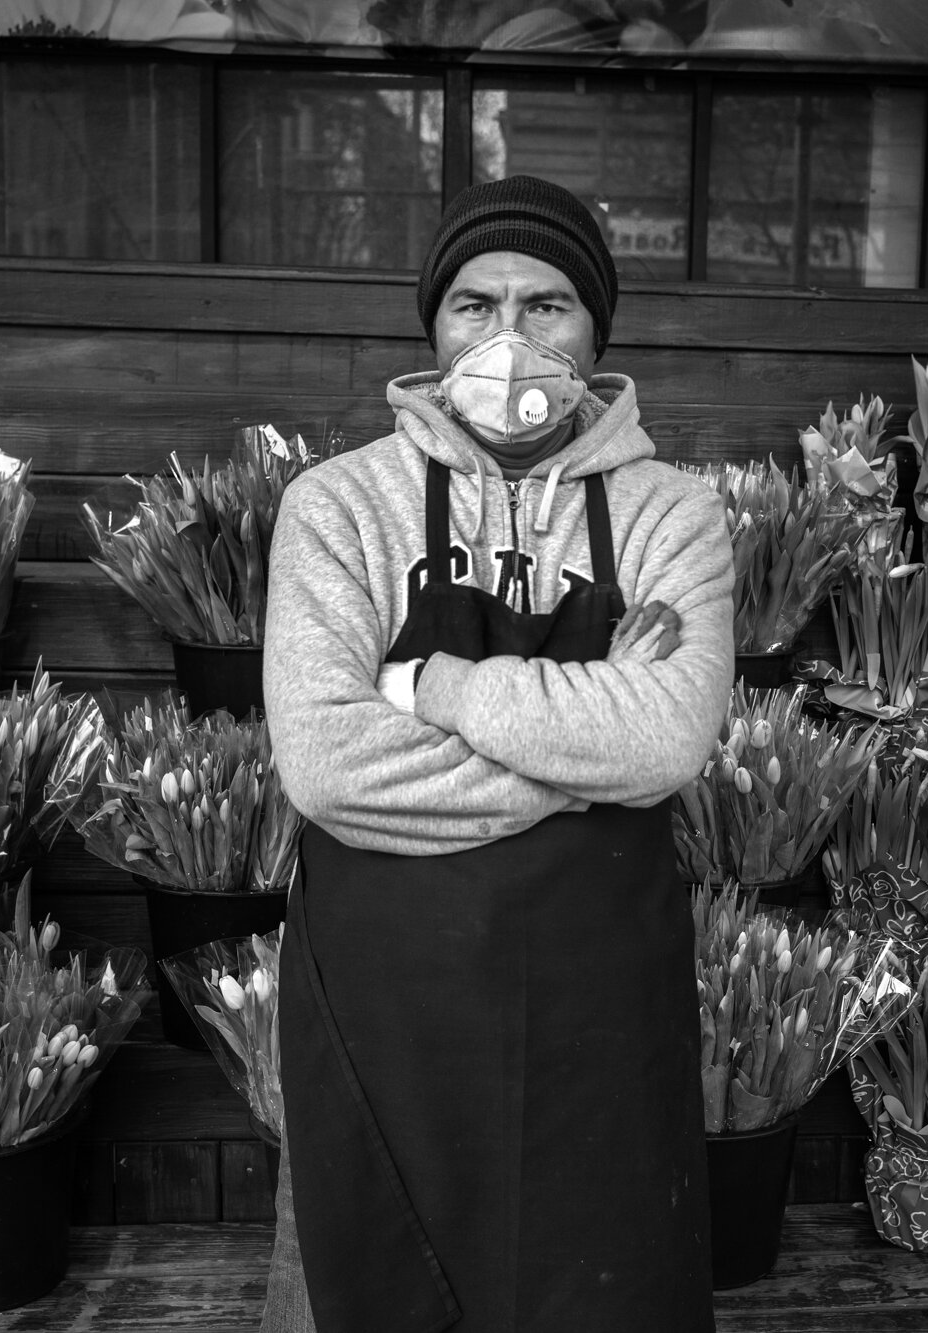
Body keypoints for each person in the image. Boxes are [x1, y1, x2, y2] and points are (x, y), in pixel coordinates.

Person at [260, 175, 732, 1333]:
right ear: (433, 324)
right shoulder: (338, 508)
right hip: (383, 1011)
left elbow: (666, 736)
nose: (509, 339)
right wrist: (581, 756)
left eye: (548, 305)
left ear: (595, 331)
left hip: (601, 1017)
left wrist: (435, 686)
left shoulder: (674, 514)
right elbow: (326, 763)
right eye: (475, 304)